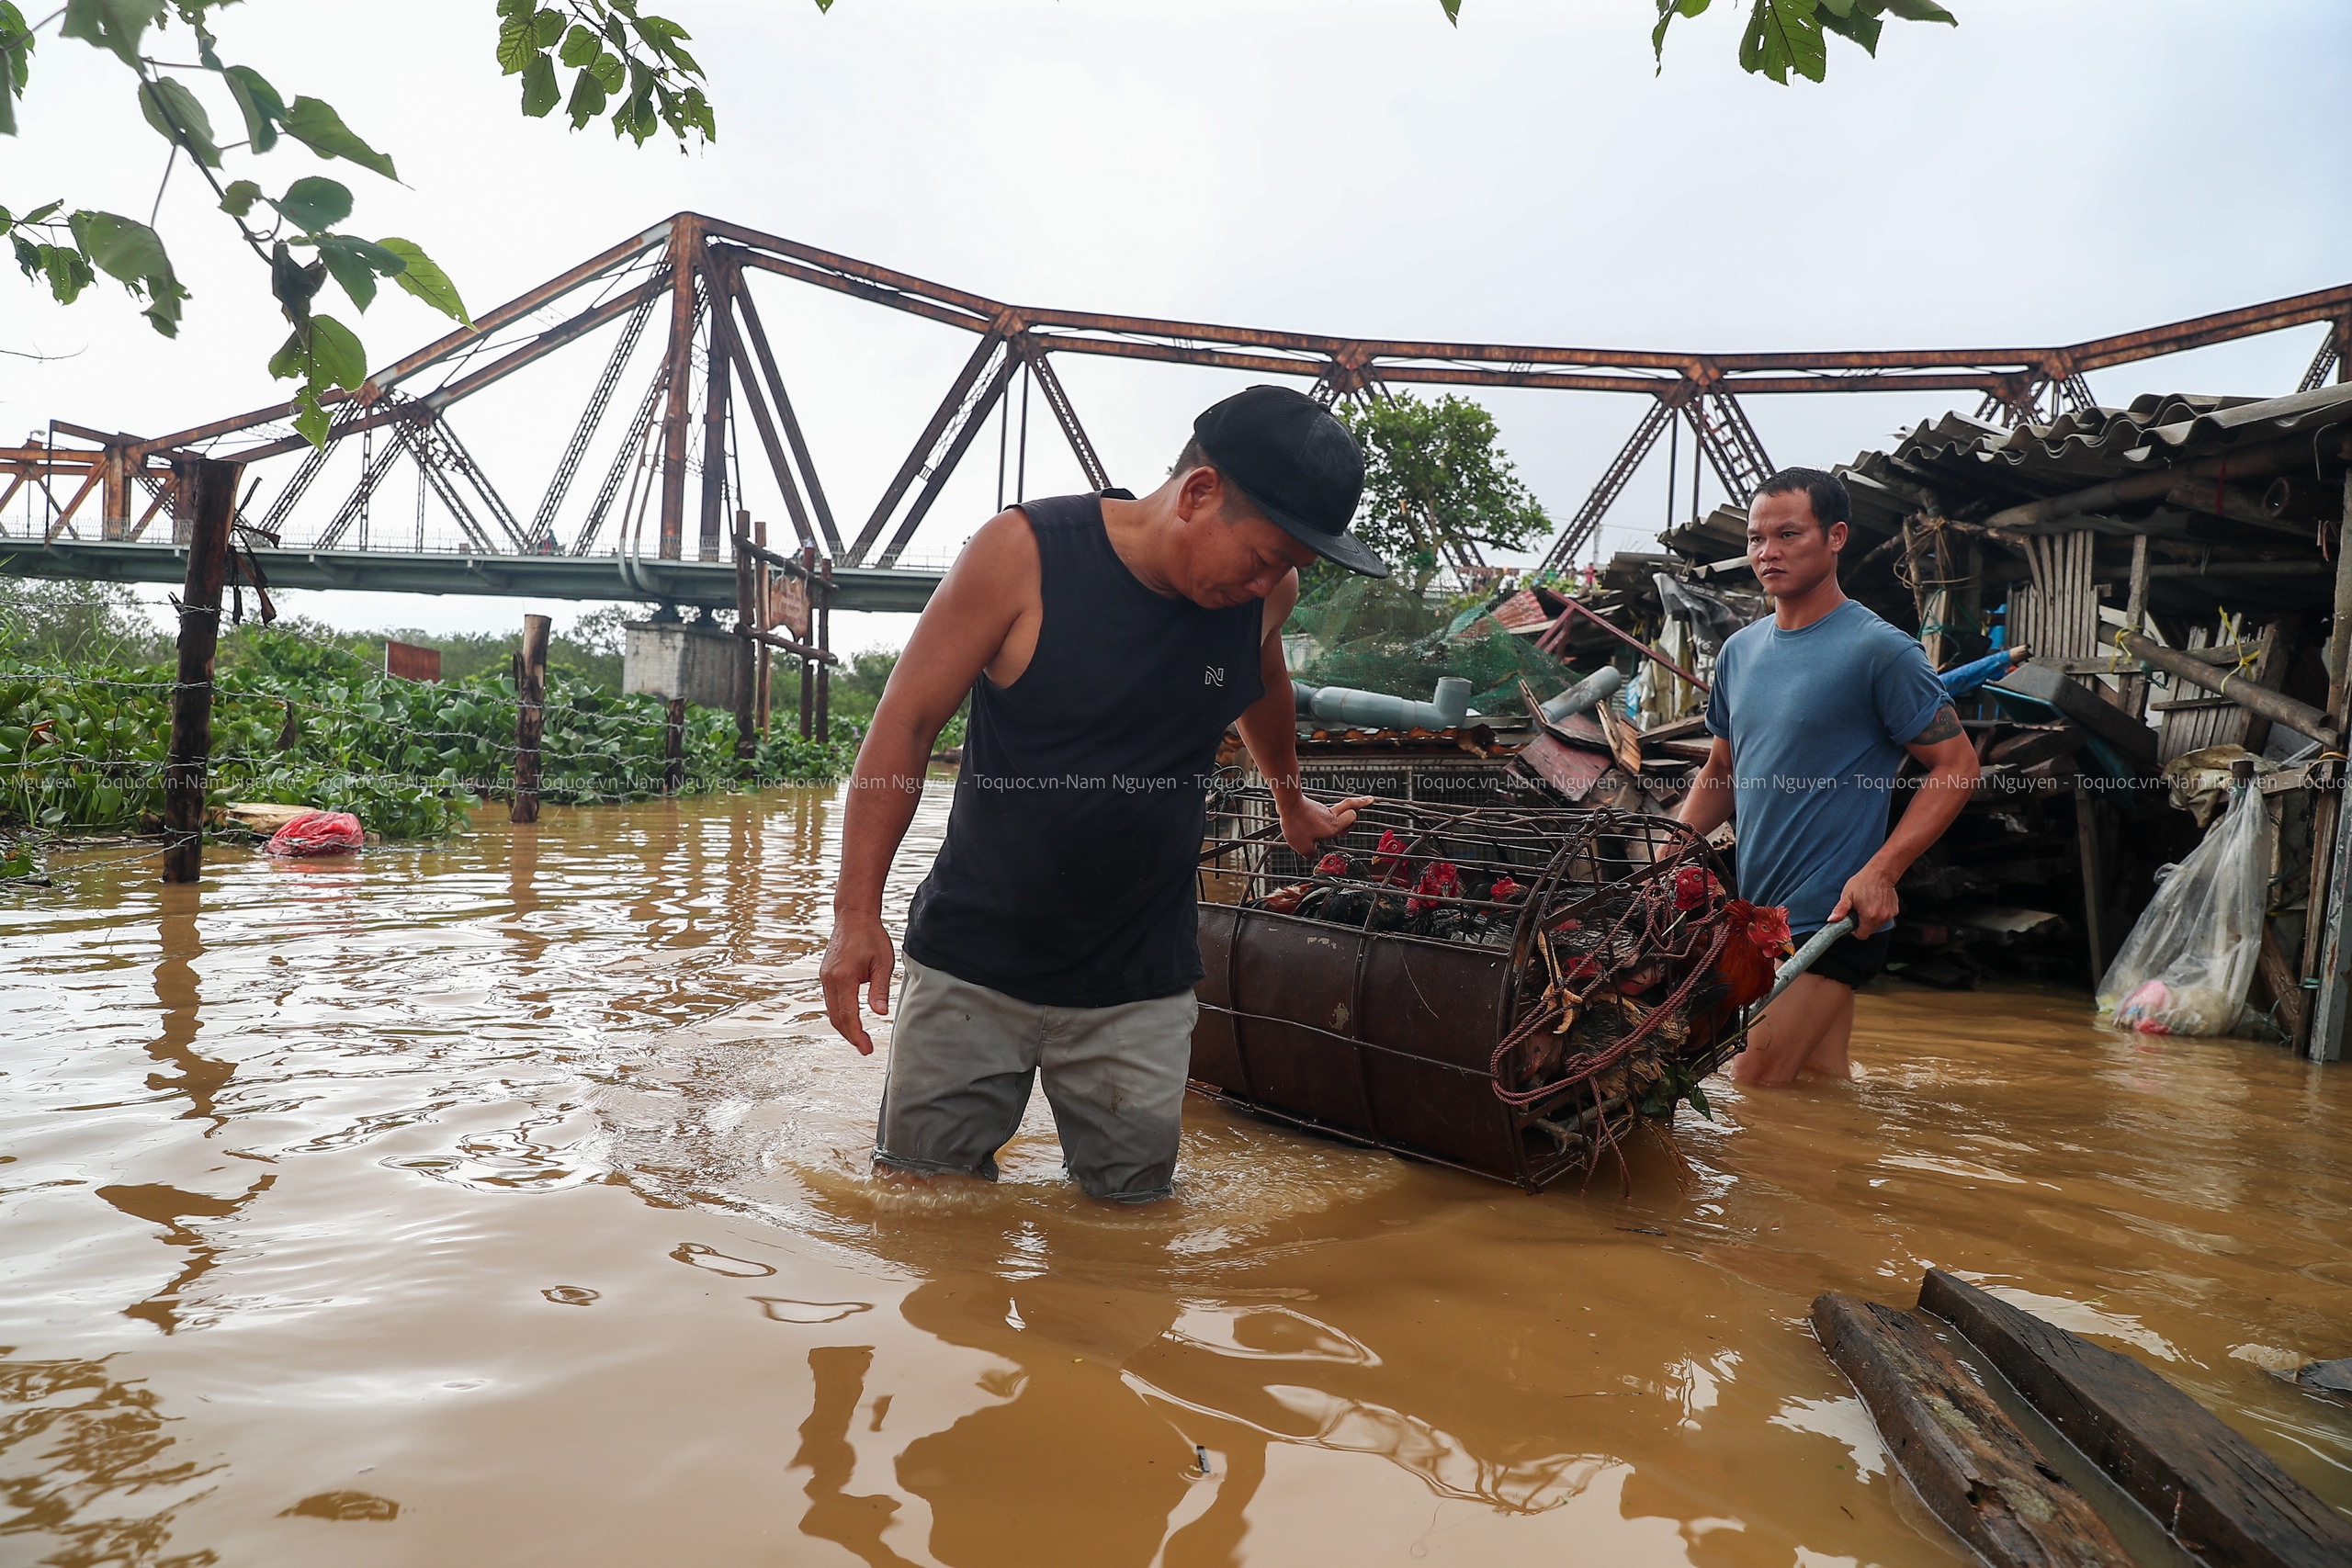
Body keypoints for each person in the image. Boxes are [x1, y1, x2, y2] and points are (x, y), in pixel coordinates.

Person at [819, 385, 1385, 1201]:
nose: (1270, 584)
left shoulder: (1266, 597)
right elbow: (904, 725)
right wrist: (854, 913)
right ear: (1198, 494)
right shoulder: (1023, 554)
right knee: (923, 1207)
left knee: (1129, 1226)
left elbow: (1265, 680)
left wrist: (1289, 800)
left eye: (1287, 568)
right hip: (975, 965)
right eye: (1262, 557)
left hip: (1139, 979)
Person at [1676, 468, 1981, 1086]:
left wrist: (1882, 870)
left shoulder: (1880, 650)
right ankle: (1847, 1175)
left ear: (1836, 536)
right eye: (1758, 538)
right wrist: (1671, 846)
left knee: (1751, 1084)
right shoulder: (1739, 652)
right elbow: (1722, 770)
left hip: (1836, 914)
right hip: (1761, 918)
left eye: (1788, 534)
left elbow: (1957, 767)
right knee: (1817, 1085)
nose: (1769, 552)